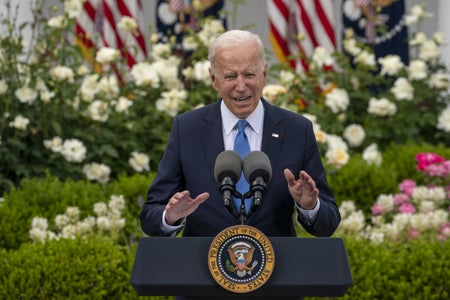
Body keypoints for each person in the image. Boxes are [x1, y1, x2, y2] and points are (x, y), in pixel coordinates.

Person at [140, 29, 340, 239]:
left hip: (277, 266)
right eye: (230, 76)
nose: (241, 86)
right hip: (202, 266)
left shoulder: (297, 130)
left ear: (264, 74)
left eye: (249, 74)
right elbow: (150, 214)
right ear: (213, 79)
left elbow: (328, 223)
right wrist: (170, 217)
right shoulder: (187, 129)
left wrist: (310, 206)